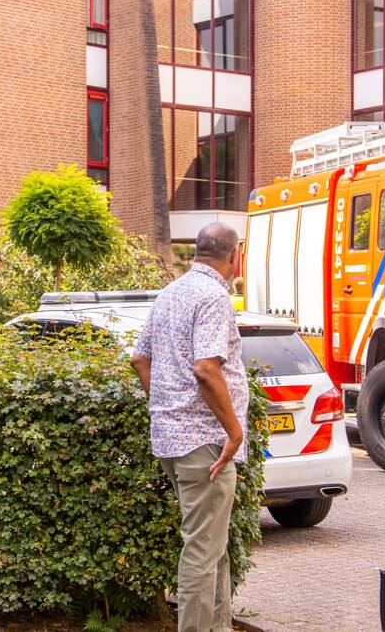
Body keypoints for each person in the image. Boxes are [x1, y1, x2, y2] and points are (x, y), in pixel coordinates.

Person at [131, 222, 248, 632]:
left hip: (172, 439)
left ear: (197, 250)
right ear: (233, 256)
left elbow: (140, 359)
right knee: (202, 549)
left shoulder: (170, 293)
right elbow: (206, 368)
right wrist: (234, 432)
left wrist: (167, 406)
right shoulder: (214, 296)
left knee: (214, 547)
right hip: (206, 442)